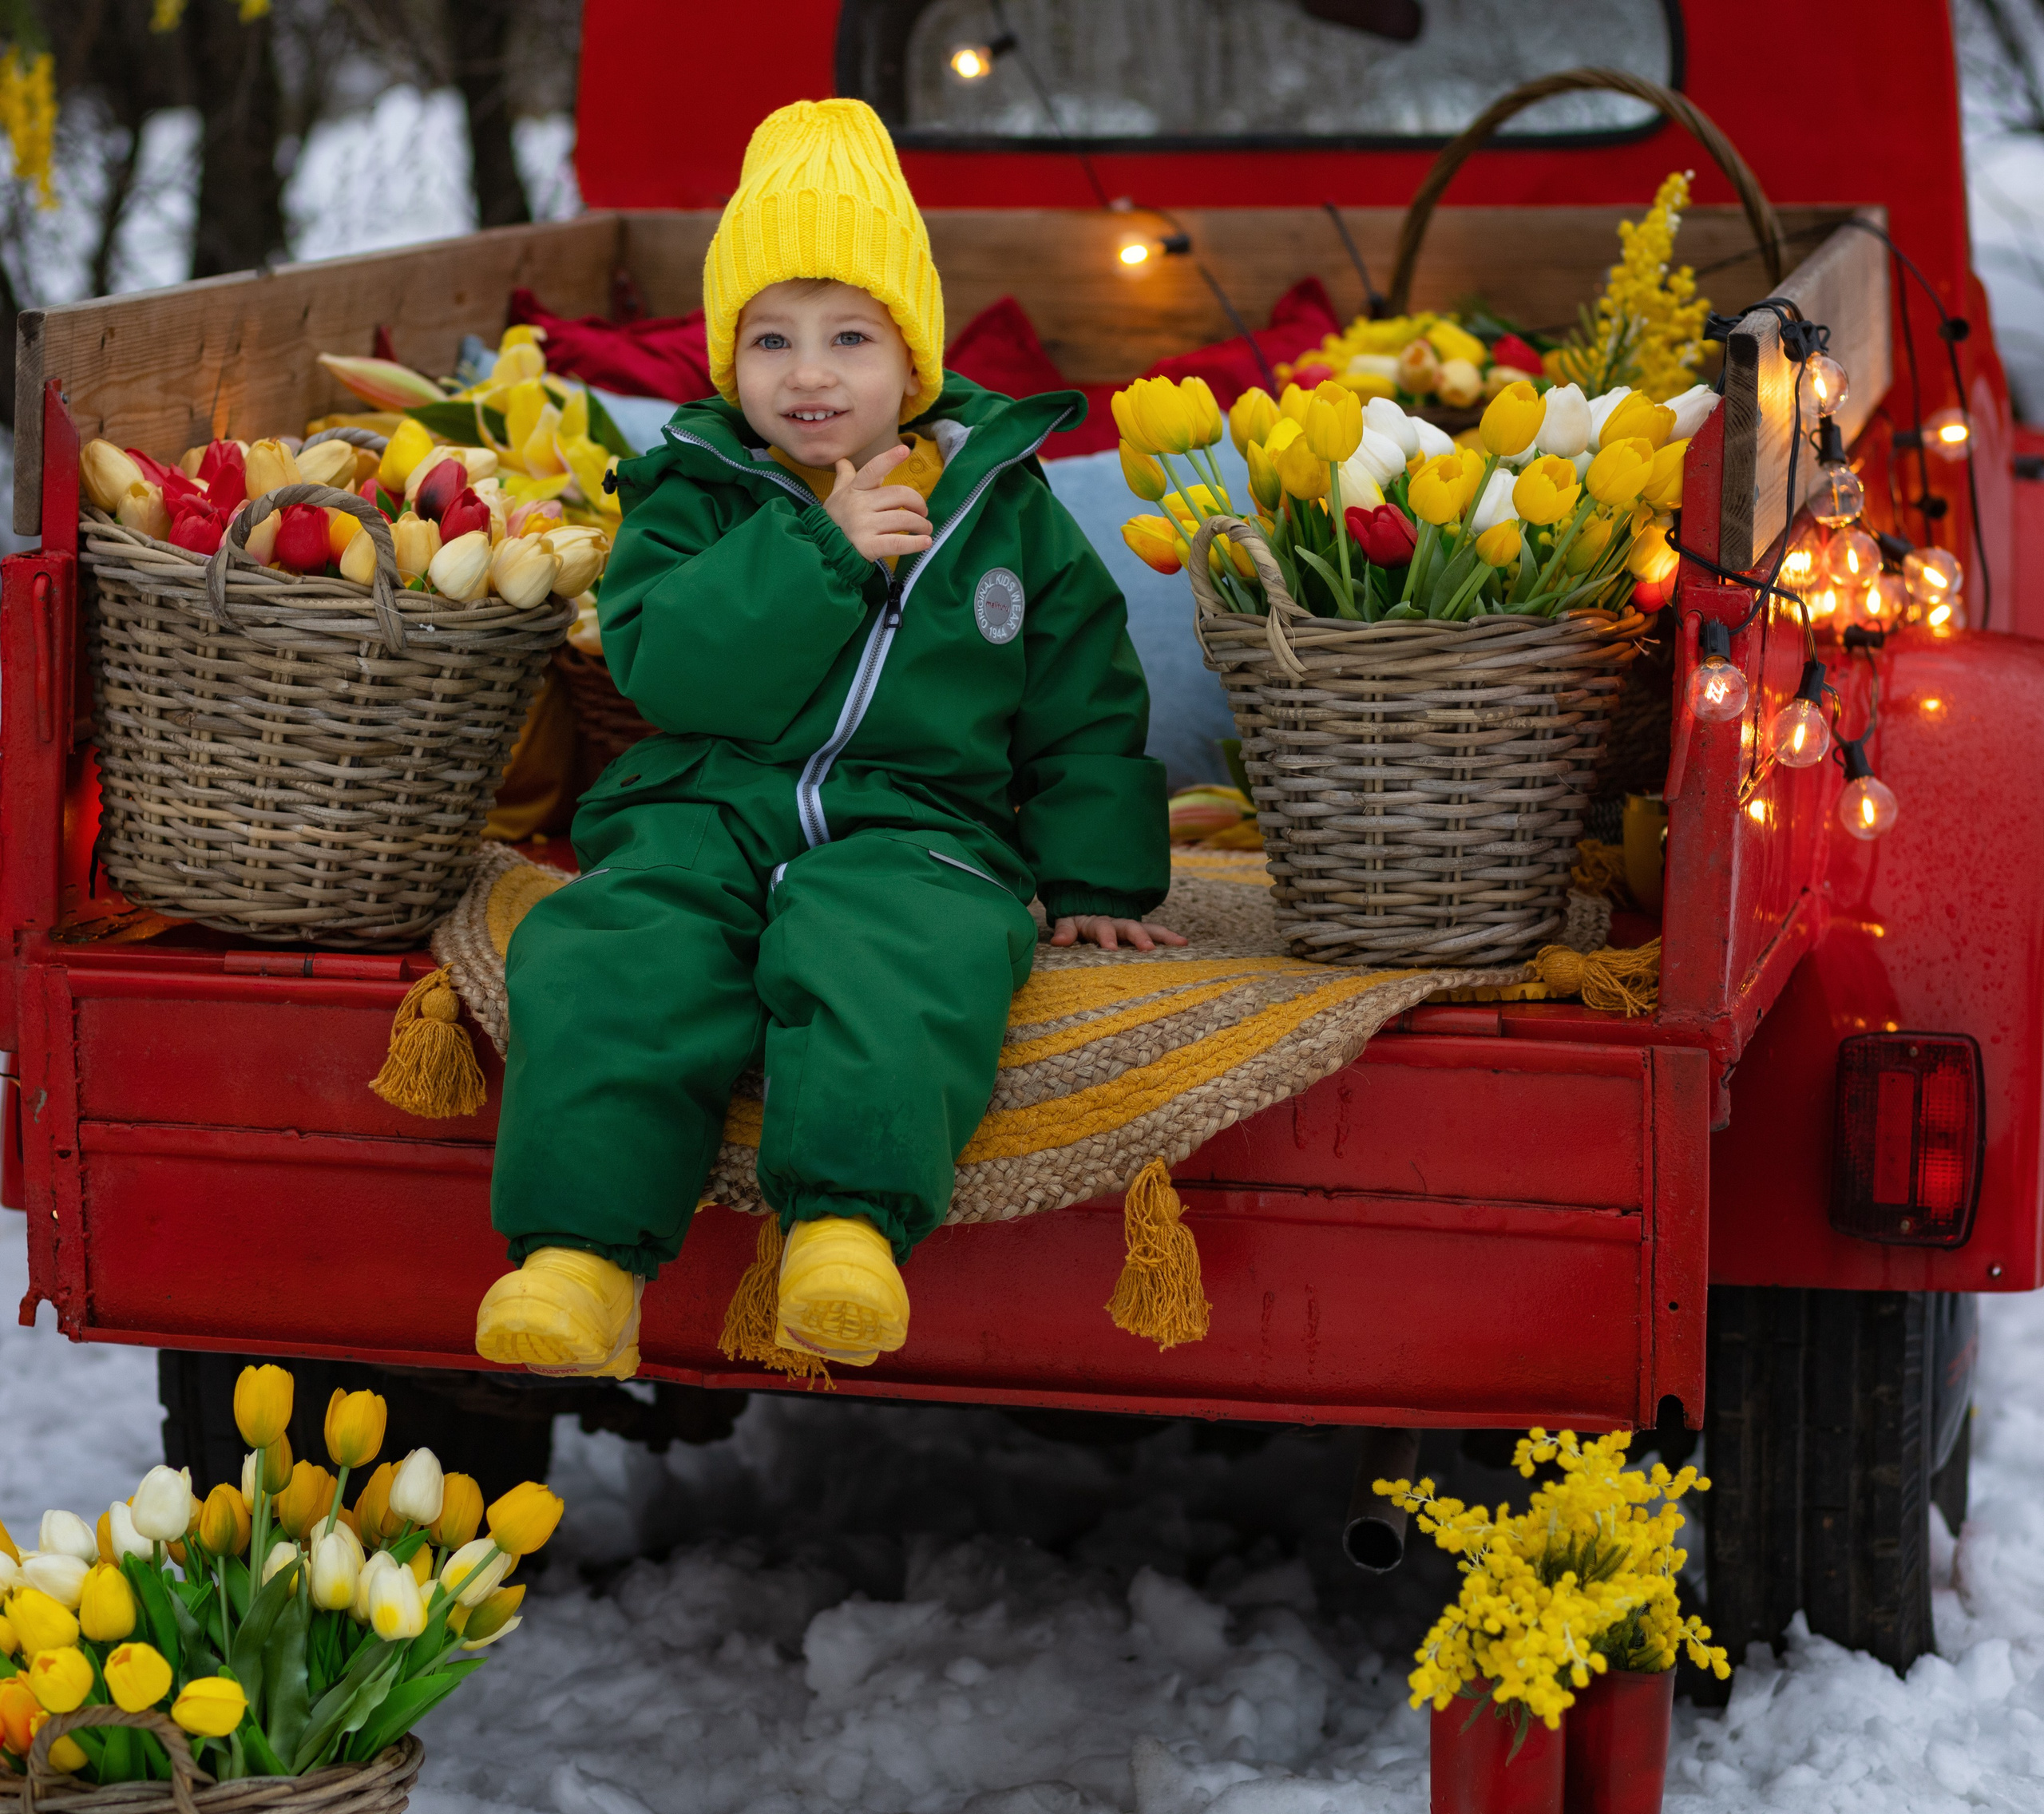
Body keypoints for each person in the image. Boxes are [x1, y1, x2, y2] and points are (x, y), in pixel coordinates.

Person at [472, 99, 1178, 1379]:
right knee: (614, 952)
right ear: (726, 363)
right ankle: (580, 1262)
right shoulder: (690, 489)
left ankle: (845, 1233)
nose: (809, 373)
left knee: (899, 953)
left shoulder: (999, 507)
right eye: (771, 339)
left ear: (912, 363)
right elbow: (667, 661)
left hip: (920, 822)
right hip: (703, 801)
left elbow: (1082, 695)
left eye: (850, 336)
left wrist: (1095, 877)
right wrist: (818, 546)